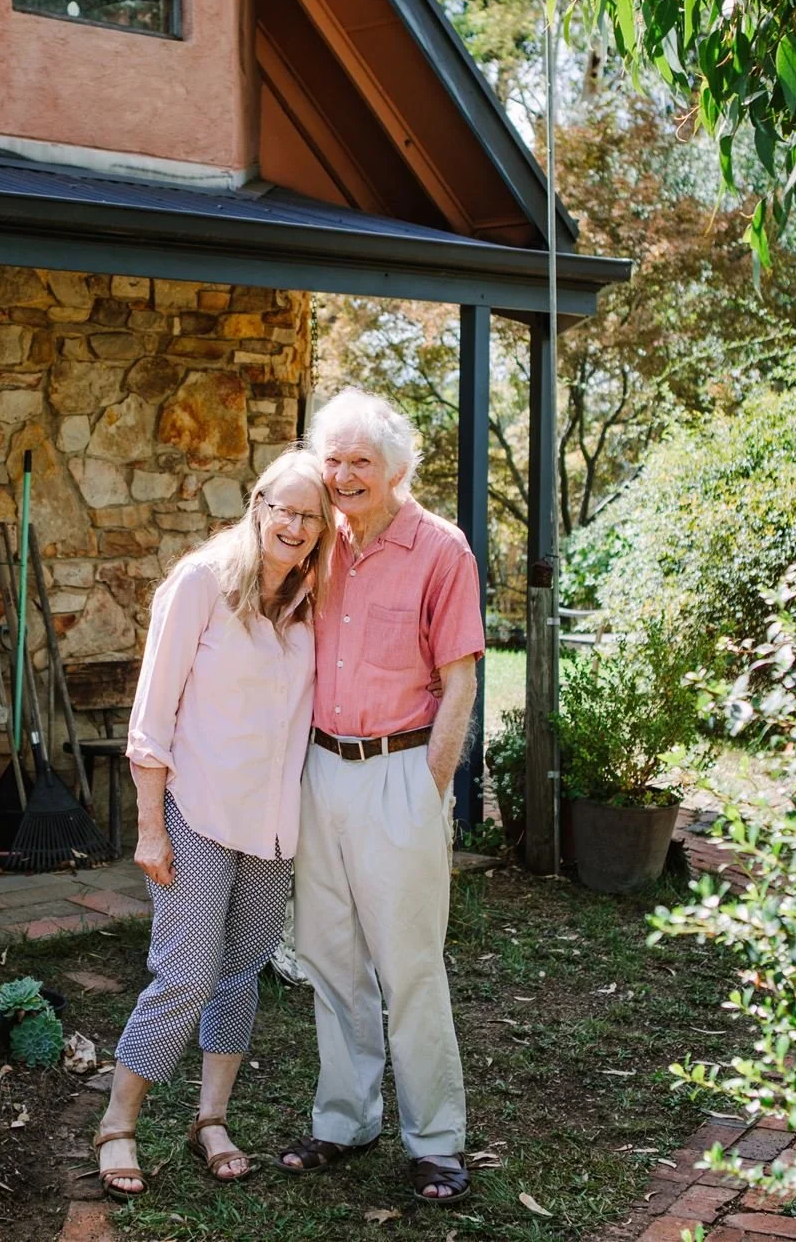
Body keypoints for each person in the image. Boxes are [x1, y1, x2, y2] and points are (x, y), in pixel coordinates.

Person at [93, 449, 335, 1195]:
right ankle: (117, 1123)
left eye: (311, 516)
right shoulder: (201, 582)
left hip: (271, 827)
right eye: (284, 509)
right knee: (187, 973)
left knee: (239, 973)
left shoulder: (309, 601)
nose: (295, 526)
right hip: (196, 811)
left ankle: (211, 1119)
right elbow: (151, 717)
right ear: (258, 505)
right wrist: (149, 827)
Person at [277, 388, 482, 1206]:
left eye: (360, 460)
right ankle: (344, 1118)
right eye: (332, 459)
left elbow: (460, 683)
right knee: (329, 957)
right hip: (320, 769)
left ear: (395, 468)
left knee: (410, 966)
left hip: (400, 770)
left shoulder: (442, 550)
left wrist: (429, 787)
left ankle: (435, 1140)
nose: (343, 474)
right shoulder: (319, 541)